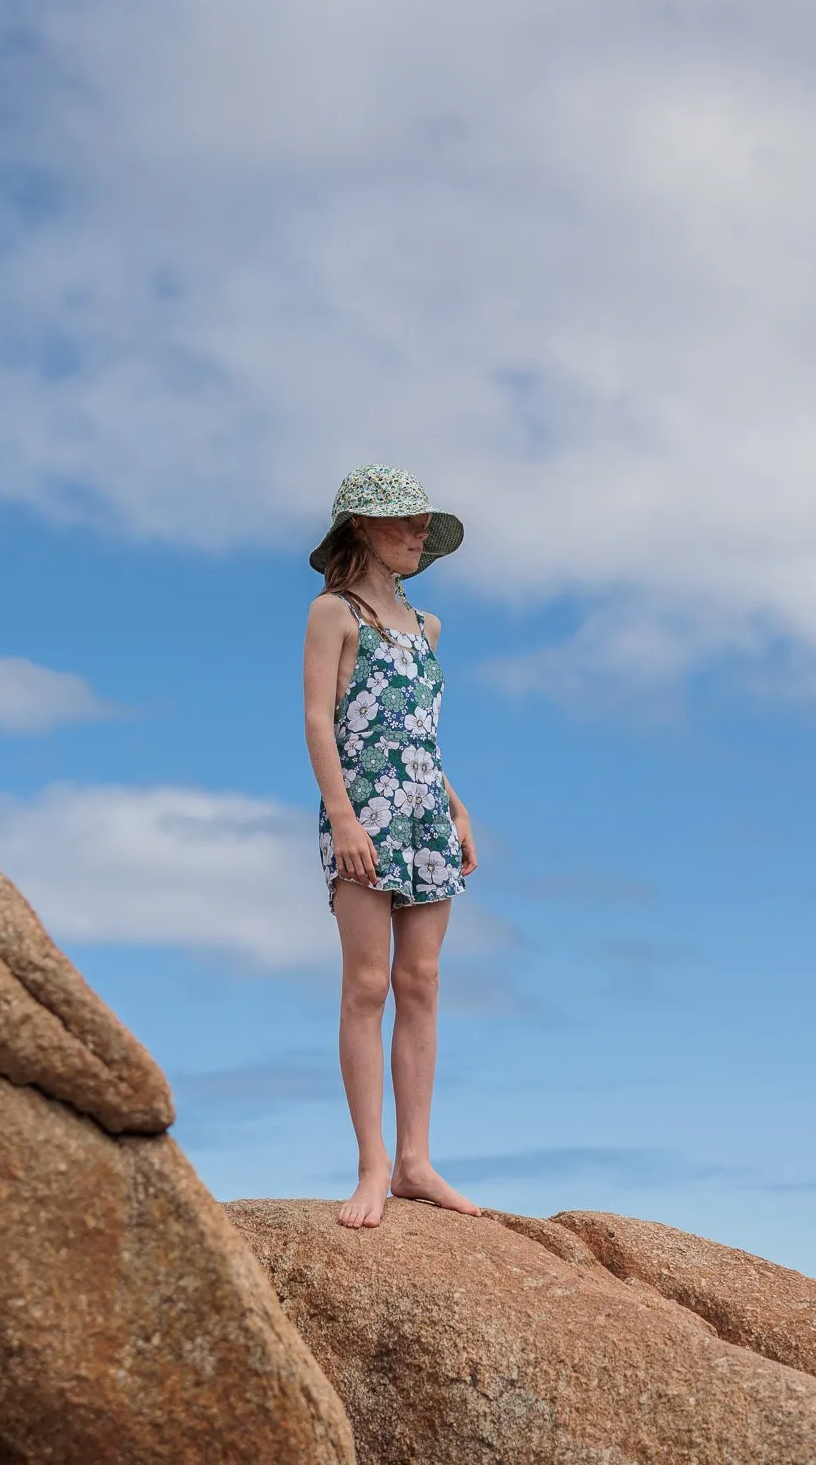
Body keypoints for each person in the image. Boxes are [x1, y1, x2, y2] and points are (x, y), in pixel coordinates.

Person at [302, 464, 481, 1229]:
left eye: (421, 524)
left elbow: (423, 734)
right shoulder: (331, 614)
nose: (417, 534)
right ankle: (373, 1163)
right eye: (404, 521)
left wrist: (456, 803)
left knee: (423, 980)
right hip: (365, 808)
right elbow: (319, 722)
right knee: (366, 985)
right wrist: (342, 816)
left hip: (426, 810)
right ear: (362, 529)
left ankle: (415, 1161)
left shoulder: (428, 627)